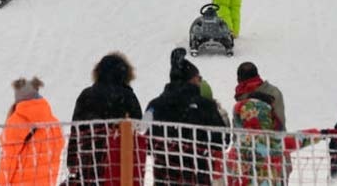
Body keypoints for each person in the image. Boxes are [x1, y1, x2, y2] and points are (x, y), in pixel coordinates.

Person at [146, 49, 227, 186]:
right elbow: (221, 141)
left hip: (164, 176)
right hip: (197, 174)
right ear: (192, 79)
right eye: (199, 78)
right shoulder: (205, 106)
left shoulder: (155, 106)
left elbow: (145, 140)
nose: (200, 81)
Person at [66, 52, 143, 185]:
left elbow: (75, 131)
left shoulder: (86, 95)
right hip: (117, 160)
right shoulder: (127, 96)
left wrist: (72, 162)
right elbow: (138, 125)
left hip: (89, 160)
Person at [0, 78, 63, 186]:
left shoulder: (15, 122)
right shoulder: (54, 123)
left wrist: (1, 183)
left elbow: (8, 158)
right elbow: (56, 155)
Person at [234, 62, 286, 129]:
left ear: (239, 79)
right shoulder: (274, 91)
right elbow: (281, 121)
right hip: (276, 138)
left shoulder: (242, 97)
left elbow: (238, 127)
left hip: (250, 138)